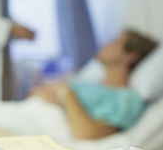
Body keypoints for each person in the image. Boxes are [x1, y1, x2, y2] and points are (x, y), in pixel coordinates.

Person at [29, 30, 158, 140]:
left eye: (114, 43)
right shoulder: (87, 83)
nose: (105, 44)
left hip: (39, 130)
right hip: (29, 115)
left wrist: (65, 93)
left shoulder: (127, 99)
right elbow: (36, 91)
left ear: (131, 56)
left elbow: (87, 133)